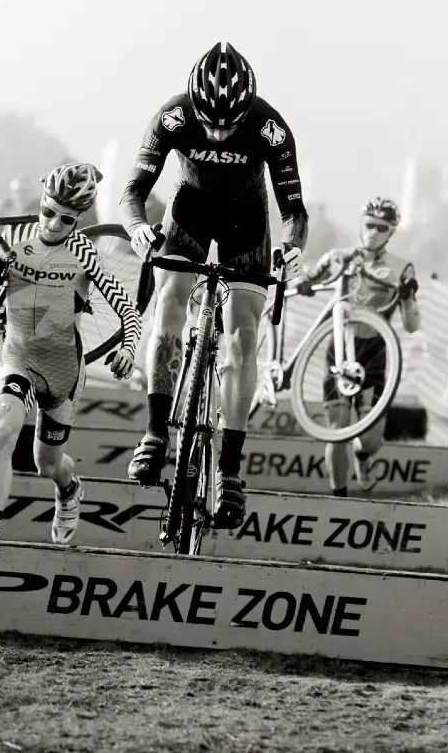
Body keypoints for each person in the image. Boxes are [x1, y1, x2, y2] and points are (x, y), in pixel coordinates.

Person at [120, 41, 309, 528]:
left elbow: (294, 210)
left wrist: (292, 248)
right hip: (191, 213)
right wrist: (139, 227)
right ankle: (156, 431)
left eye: (230, 124)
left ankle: (229, 471)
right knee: (167, 309)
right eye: (210, 122)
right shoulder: (172, 116)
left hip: (247, 222)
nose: (221, 132)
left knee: (244, 336)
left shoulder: (270, 126)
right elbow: (134, 192)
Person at [0, 161, 142, 544]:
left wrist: (129, 350)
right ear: (41, 202)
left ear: (79, 219)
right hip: (17, 358)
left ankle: (68, 488)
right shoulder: (14, 240)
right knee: (3, 431)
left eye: (65, 220)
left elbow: (129, 311)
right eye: (47, 212)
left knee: (46, 464)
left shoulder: (85, 254)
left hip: (63, 371)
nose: (52, 224)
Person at [295, 196, 421, 496]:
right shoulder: (340, 256)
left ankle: (363, 456)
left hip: (375, 355)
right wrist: (304, 282)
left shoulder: (401, 267)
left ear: (391, 232)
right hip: (339, 352)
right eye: (369, 225)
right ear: (361, 225)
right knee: (336, 433)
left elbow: (413, 325)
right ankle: (339, 496)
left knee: (371, 440)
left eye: (382, 227)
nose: (374, 232)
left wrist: (407, 296)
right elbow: (306, 279)